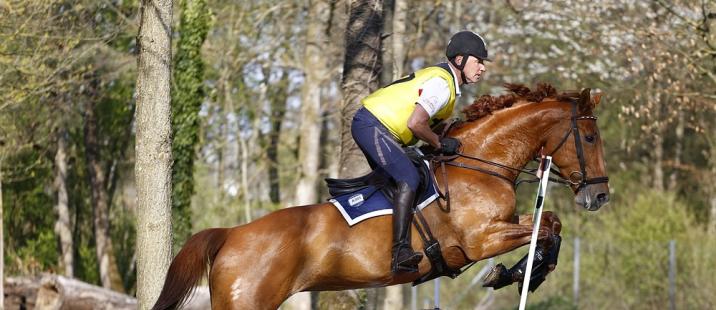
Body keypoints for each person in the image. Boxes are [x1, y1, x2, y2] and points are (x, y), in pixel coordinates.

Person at [351, 30, 490, 274]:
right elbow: (416, 124)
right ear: (460, 60)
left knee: (408, 178)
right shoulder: (442, 84)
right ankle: (399, 252)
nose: (482, 68)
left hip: (377, 127)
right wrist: (438, 142)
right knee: (409, 178)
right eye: (478, 61)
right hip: (372, 125)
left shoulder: (446, 84)